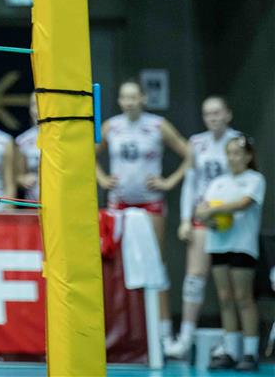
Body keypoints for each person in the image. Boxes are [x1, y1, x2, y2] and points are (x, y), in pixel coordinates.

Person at [95, 78, 193, 350]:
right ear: (119, 100)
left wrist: (169, 181)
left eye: (134, 97)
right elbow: (87, 154)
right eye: (124, 97)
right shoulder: (111, 126)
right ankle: (120, 332)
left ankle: (163, 334)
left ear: (143, 99)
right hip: (118, 204)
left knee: (156, 264)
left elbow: (190, 154)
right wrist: (102, 179)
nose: (129, 102)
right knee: (115, 265)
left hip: (150, 203)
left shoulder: (158, 126)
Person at [165, 95, 244, 359]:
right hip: (202, 217)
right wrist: (185, 219)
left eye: (217, 112)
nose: (213, 118)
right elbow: (190, 182)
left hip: (231, 220)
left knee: (231, 284)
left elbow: (247, 179)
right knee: (194, 277)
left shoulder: (240, 142)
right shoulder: (196, 143)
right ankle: (185, 338)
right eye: (208, 113)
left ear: (228, 114)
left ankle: (232, 341)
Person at [197, 136, 264, 371]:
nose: (233, 158)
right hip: (218, 245)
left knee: (243, 297)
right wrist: (207, 217)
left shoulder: (255, 180)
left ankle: (250, 351)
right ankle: (231, 351)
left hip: (242, 246)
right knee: (225, 298)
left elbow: (243, 204)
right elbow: (202, 210)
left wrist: (214, 211)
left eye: (238, 153)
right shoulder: (218, 183)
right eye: (229, 153)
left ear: (248, 156)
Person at [15, 91, 41, 201]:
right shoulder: (22, 140)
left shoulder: (64, 138)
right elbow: (18, 177)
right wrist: (23, 179)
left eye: (41, 104)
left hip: (61, 203)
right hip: (34, 203)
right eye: (33, 105)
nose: (37, 110)